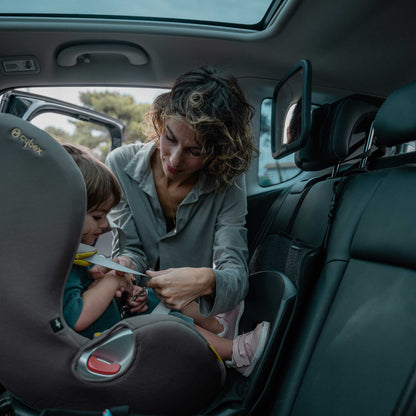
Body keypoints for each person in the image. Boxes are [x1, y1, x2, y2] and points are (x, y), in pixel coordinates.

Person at [105, 67, 270, 376]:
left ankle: (223, 335)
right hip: (152, 305)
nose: (175, 160)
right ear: (160, 121)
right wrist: (123, 266)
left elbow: (235, 274)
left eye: (195, 151)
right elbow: (132, 251)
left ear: (217, 152)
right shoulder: (120, 164)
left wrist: (205, 280)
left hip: (203, 308)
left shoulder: (227, 182)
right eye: (170, 139)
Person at [62, 144, 148, 339]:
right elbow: (76, 317)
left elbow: (91, 289)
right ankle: (229, 348)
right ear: (68, 211)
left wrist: (127, 289)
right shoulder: (62, 261)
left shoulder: (81, 252)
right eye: (98, 216)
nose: (105, 225)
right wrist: (114, 280)